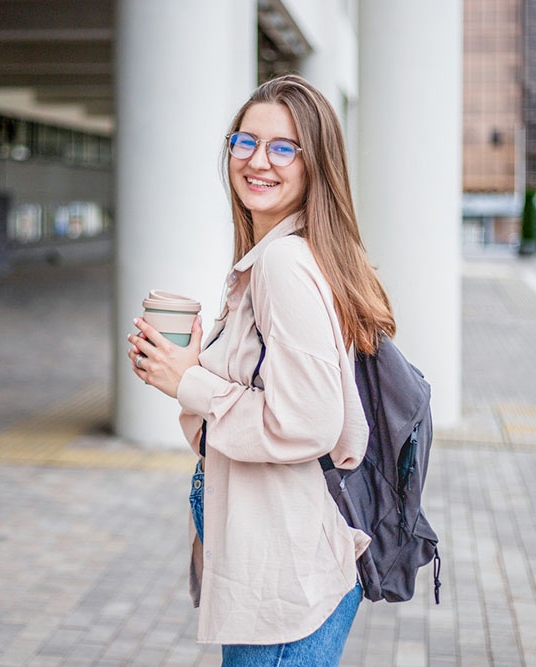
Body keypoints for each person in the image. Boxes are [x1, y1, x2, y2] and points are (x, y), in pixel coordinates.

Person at [126, 74, 396, 666]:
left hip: (285, 578)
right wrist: (190, 367)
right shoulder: (282, 256)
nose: (257, 161)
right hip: (280, 559)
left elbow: (307, 422)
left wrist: (186, 380)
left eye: (282, 147)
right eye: (244, 142)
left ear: (314, 164)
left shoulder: (284, 265)